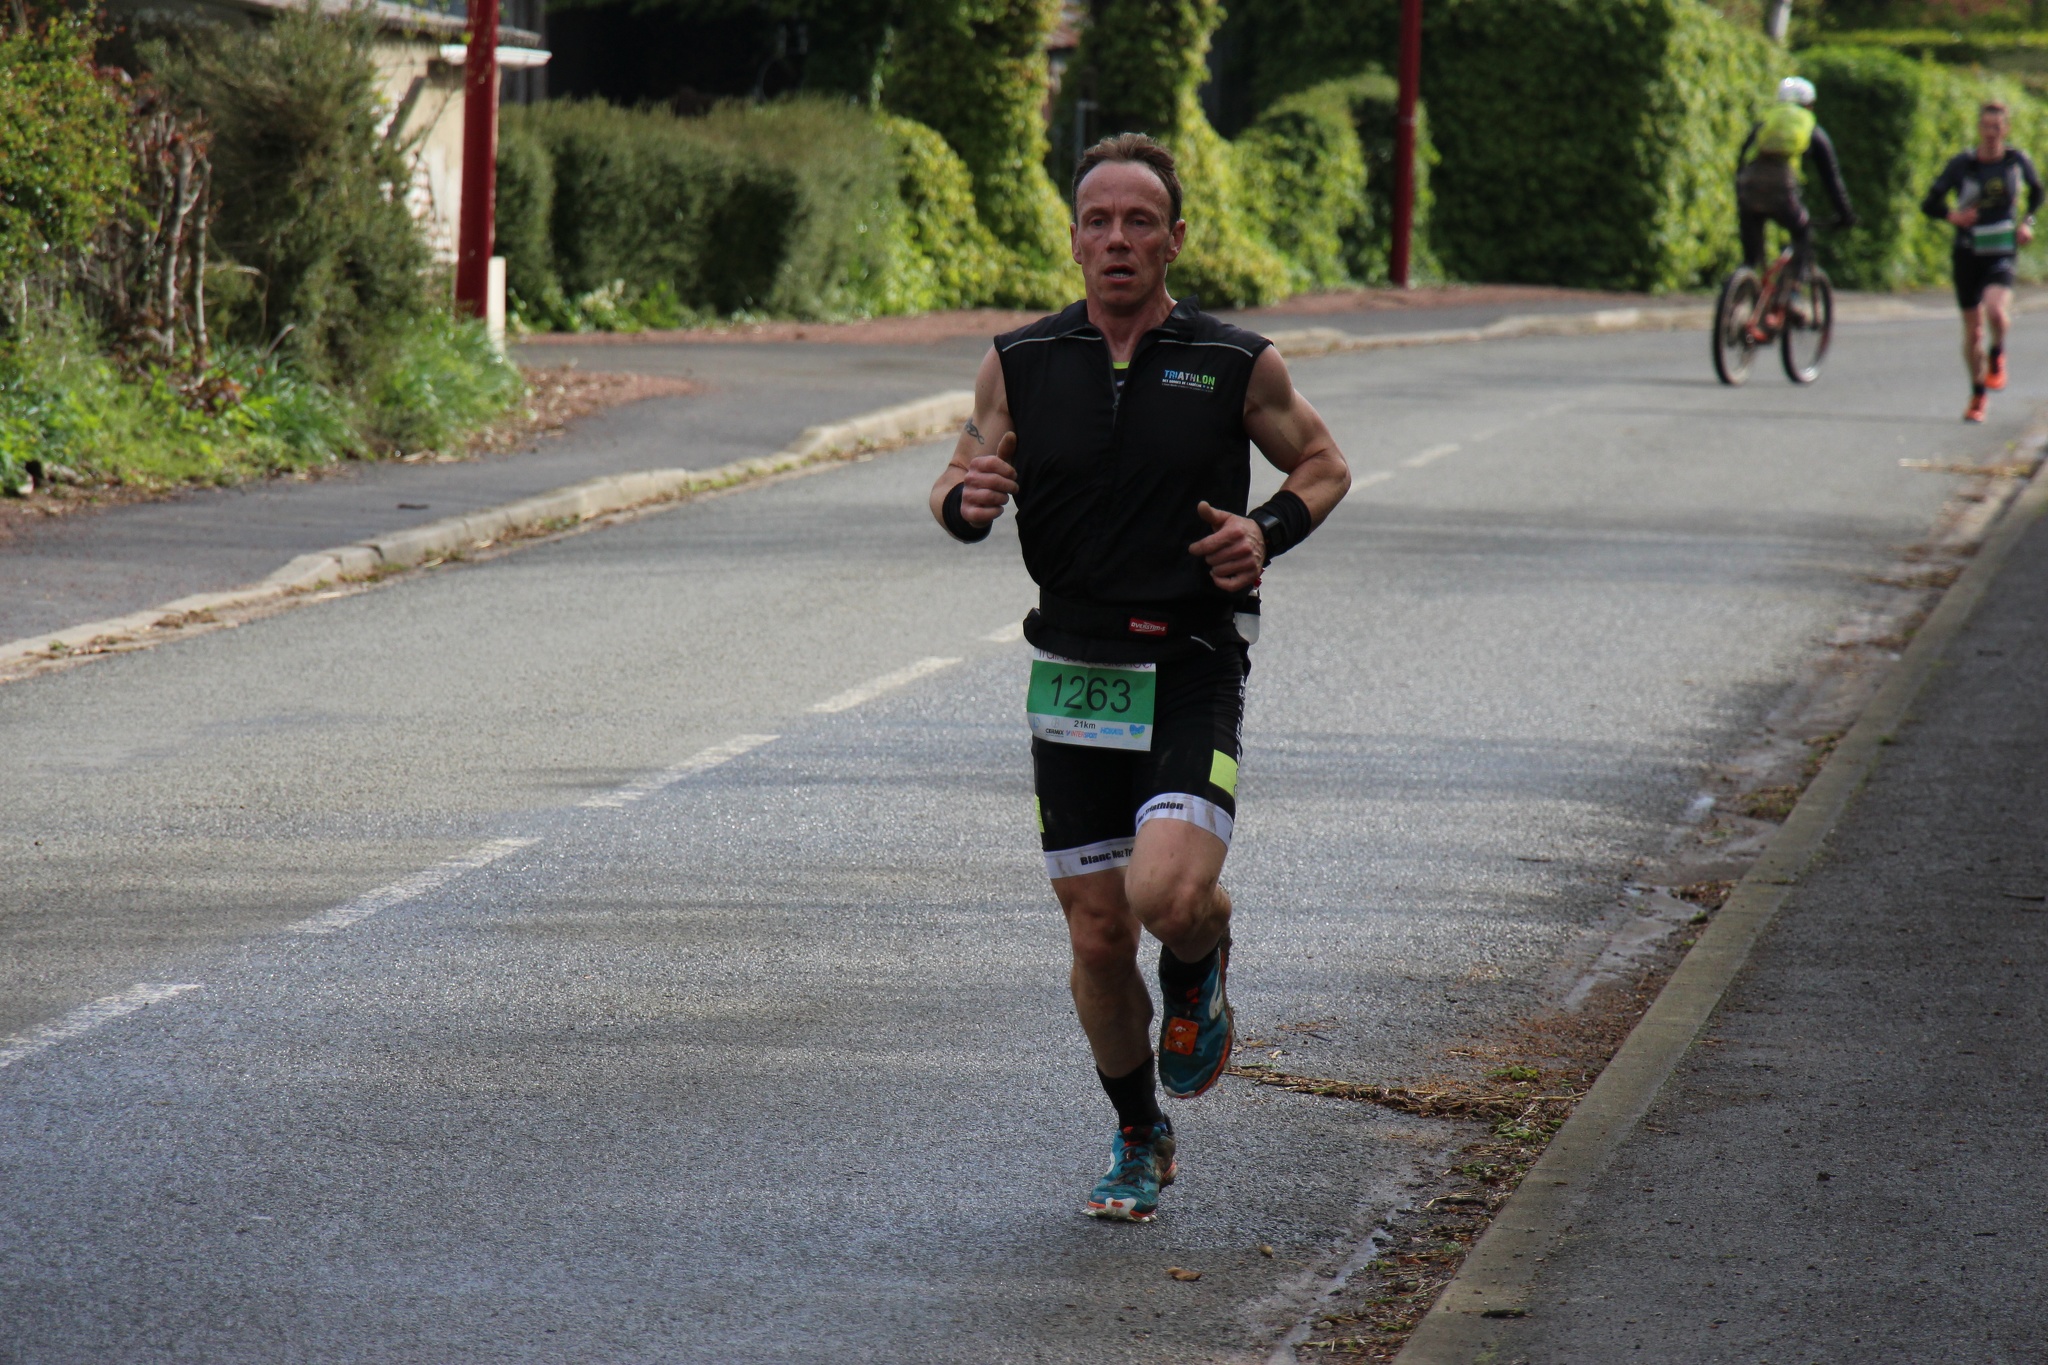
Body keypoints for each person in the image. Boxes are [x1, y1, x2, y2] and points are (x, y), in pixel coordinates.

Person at [928, 133, 1350, 1223]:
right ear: (1074, 239)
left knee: (1164, 898)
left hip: (1190, 663)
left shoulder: (1233, 362)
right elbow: (960, 473)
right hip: (1073, 675)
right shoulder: (1020, 362)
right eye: (1097, 221)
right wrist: (964, 502)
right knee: (1097, 932)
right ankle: (1135, 1132)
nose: (1116, 239)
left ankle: (1202, 951)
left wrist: (1265, 530)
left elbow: (1322, 463)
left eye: (1139, 222)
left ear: (1174, 239)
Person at [1922, 101, 2043, 423]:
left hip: (2001, 250)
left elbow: (2037, 192)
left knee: (1995, 311)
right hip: (1967, 252)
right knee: (1973, 331)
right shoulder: (1962, 164)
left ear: (2006, 129)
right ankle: (1977, 395)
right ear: (1978, 129)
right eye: (1986, 127)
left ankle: (1998, 352)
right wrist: (1954, 216)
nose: (1991, 134)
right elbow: (1929, 203)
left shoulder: (2016, 161)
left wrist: (2027, 223)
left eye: (1997, 127)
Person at [1736, 76, 1856, 286]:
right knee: (1802, 231)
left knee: (1751, 256)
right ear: (1808, 104)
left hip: (1749, 187)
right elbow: (1831, 178)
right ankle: (1794, 289)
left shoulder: (1766, 121)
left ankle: (1741, 285)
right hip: (1782, 192)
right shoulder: (1811, 129)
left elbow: (1742, 159)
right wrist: (1845, 214)